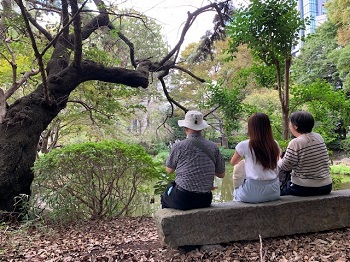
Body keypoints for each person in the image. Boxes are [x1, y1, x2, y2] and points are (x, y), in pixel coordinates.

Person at [161, 110, 225, 210]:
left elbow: (169, 170)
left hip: (183, 199)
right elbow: (221, 174)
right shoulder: (213, 147)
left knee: (165, 196)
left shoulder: (178, 146)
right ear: (201, 128)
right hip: (205, 199)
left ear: (185, 128)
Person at [230, 113, 281, 203]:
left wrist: (246, 160)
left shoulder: (244, 144)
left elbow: (233, 162)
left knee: (236, 191)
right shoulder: (274, 144)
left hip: (253, 190)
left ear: (251, 128)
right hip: (274, 190)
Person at [279, 111, 332, 196]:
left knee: (278, 194)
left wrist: (278, 159)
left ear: (295, 126)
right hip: (326, 186)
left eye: (290, 123)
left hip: (305, 187)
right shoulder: (319, 137)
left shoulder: (296, 142)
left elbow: (285, 166)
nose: (289, 126)